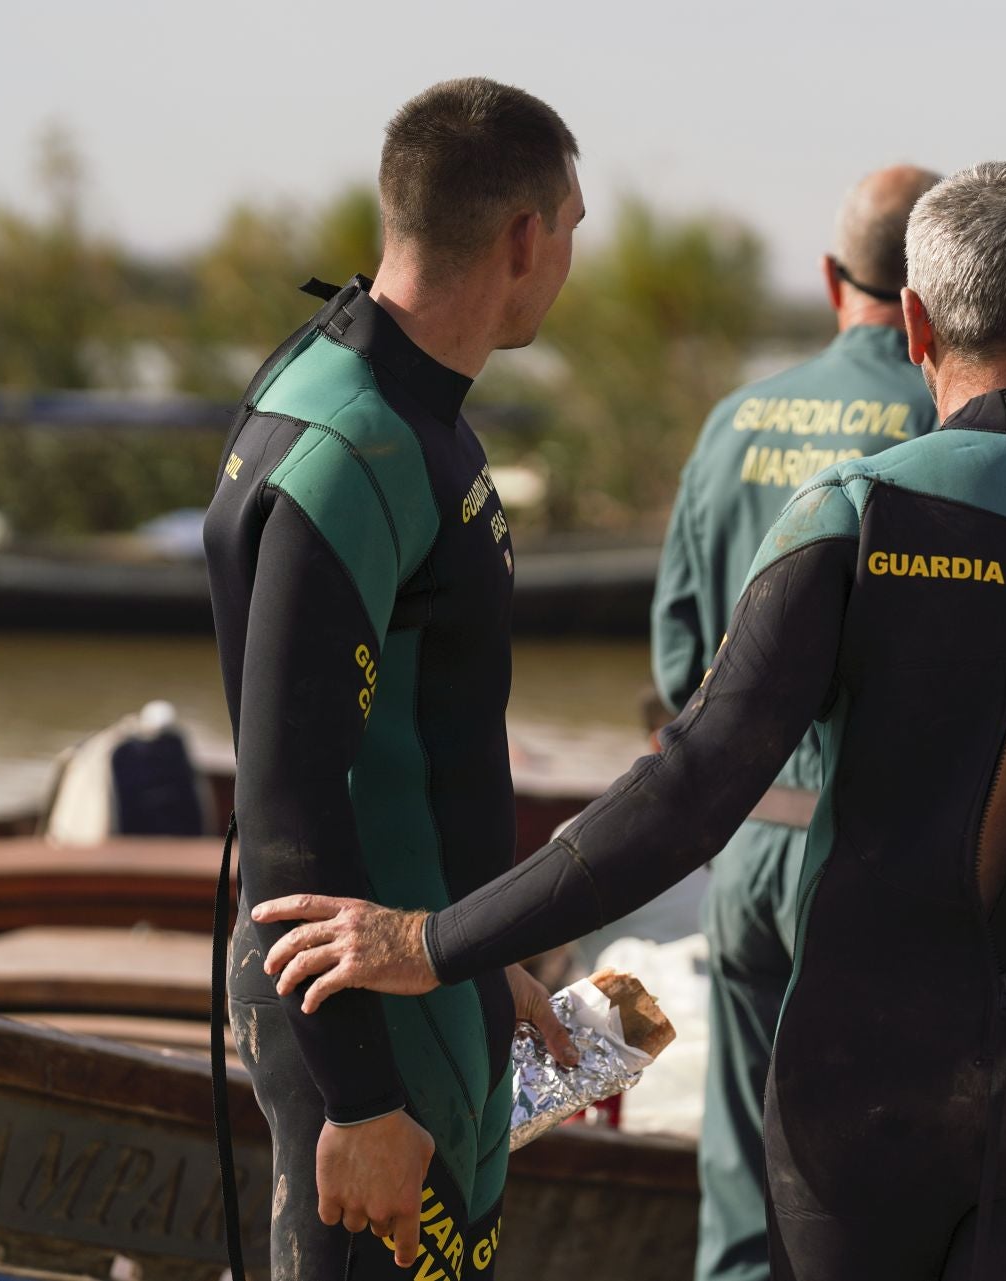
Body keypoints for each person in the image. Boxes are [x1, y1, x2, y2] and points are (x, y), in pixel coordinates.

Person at [256, 161, 1006, 1279]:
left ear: (913, 321)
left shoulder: (858, 512)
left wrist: (433, 943)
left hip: (869, 1091)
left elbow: (688, 793)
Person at [201, 78, 585, 1279]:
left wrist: (487, 952)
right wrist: (360, 1099)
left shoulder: (386, 394)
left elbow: (414, 736)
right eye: (571, 228)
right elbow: (288, 801)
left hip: (427, 964)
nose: (569, 256)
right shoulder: (357, 447)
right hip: (362, 1005)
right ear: (523, 238)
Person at [649, 162, 941, 1281]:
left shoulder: (733, 421)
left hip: (748, 848)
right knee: (874, 1183)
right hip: (879, 860)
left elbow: (680, 658)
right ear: (940, 294)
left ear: (832, 277)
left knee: (743, 1174)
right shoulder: (949, 422)